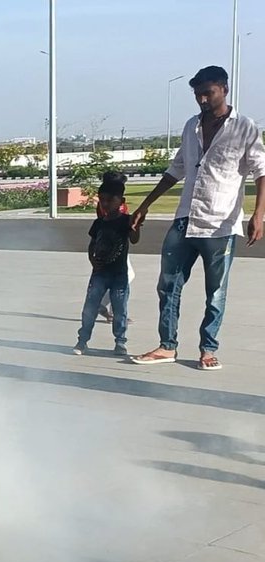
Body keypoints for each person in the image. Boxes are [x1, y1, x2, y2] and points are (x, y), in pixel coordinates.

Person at [129, 65, 265, 370]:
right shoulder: (191, 126)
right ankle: (167, 347)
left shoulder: (245, 127)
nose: (203, 99)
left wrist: (259, 214)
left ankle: (207, 349)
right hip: (184, 220)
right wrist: (145, 205)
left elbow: (261, 171)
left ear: (224, 89)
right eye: (197, 94)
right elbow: (177, 168)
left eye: (209, 92)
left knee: (215, 292)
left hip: (220, 225)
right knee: (168, 285)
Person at [74, 172, 139, 356]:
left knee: (120, 309)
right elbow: (92, 244)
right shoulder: (99, 222)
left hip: (119, 274)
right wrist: (92, 259)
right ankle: (82, 340)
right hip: (100, 273)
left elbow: (134, 239)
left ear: (121, 201)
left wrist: (136, 227)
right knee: (89, 308)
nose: (105, 204)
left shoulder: (126, 221)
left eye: (110, 200)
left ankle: (120, 342)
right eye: (102, 200)